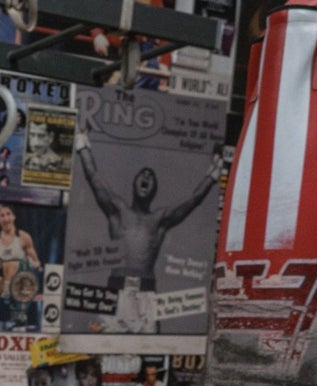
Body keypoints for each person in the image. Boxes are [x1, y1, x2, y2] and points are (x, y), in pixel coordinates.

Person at [74, 120, 221, 332]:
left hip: (147, 295)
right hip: (116, 291)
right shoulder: (117, 209)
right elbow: (93, 176)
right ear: (134, 184)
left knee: (150, 359)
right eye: (142, 174)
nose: (146, 177)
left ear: (154, 190)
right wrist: (82, 139)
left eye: (151, 177)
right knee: (102, 355)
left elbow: (193, 199)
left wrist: (215, 168)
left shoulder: (160, 219)